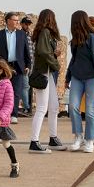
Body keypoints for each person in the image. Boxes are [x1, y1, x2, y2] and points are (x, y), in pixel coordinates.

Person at [66, 10, 94, 153]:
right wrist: (67, 77)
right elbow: (73, 60)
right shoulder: (74, 41)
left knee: (90, 110)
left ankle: (90, 140)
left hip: (92, 78)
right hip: (77, 77)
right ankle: (78, 136)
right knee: (73, 107)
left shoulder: (92, 38)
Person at [28, 9, 67, 153]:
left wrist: (53, 53)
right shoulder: (45, 32)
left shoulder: (43, 33)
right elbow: (43, 52)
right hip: (43, 73)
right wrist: (56, 63)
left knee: (54, 106)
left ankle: (53, 138)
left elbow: (44, 51)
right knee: (41, 108)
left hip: (46, 73)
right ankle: (34, 142)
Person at [0, 13, 32, 118]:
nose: (17, 22)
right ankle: (2, 114)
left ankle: (14, 115)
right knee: (2, 91)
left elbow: (26, 51)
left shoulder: (22, 34)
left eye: (18, 20)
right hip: (3, 66)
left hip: (18, 66)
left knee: (16, 91)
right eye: (15, 20)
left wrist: (28, 65)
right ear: (8, 21)